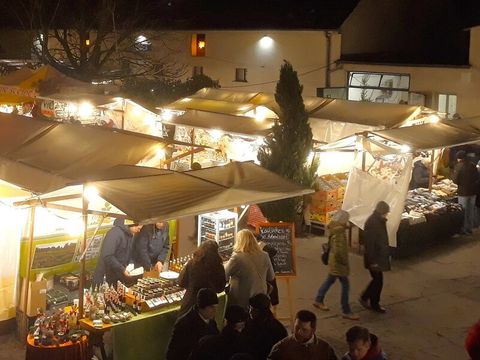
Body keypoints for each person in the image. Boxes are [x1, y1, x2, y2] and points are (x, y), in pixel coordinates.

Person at [313, 210, 359, 320]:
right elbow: (339, 250)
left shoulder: (335, 228)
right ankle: (346, 310)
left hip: (334, 262)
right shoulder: (339, 232)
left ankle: (319, 300)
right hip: (339, 263)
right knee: (345, 285)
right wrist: (344, 261)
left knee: (330, 280)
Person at [225, 229, 275, 309]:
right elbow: (271, 277)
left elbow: (225, 275)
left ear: (239, 241)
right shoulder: (265, 255)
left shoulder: (237, 257)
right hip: (260, 298)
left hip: (242, 300)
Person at [166, 288, 219, 360]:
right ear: (201, 307)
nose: (215, 310)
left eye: (216, 307)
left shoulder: (211, 322)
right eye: (211, 307)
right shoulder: (184, 325)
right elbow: (174, 353)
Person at [178, 240, 226, 315]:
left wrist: (191, 286)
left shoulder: (192, 263)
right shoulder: (218, 267)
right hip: (208, 306)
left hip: (190, 302)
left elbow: (181, 282)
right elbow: (220, 288)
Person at [359, 201, 391, 314]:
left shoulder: (378, 221)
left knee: (377, 280)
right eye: (386, 213)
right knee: (378, 281)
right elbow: (370, 244)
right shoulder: (373, 223)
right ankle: (372, 302)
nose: (386, 215)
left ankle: (367, 298)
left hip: (377, 258)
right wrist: (372, 261)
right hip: (374, 259)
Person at [268, 310, 337, 360]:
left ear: (313, 330)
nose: (299, 332)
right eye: (297, 327)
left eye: (304, 330)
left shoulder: (325, 349)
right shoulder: (281, 347)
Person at [93, 219, 143, 286]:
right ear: (133, 225)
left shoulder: (130, 234)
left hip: (118, 274)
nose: (139, 231)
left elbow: (129, 252)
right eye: (139, 228)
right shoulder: (115, 233)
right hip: (106, 276)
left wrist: (130, 264)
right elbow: (108, 256)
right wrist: (122, 269)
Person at [243, 294, 287, 360]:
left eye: (254, 309)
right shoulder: (249, 322)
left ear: (261, 311)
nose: (250, 312)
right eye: (250, 308)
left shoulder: (276, 329)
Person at [452, 150, 479, 234]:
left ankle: (464, 229)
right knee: (471, 211)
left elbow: (455, 180)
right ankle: (469, 228)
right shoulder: (472, 165)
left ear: (459, 158)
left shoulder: (458, 166)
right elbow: (477, 177)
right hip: (473, 192)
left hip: (463, 193)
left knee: (464, 211)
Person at [255, 232, 279, 308]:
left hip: (265, 274)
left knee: (267, 290)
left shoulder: (263, 250)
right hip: (268, 273)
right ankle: (273, 303)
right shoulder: (265, 248)